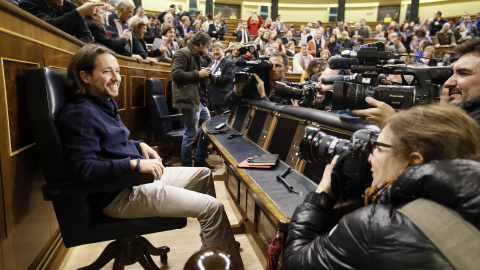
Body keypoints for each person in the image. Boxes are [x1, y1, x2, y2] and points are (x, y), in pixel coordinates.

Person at [59, 44, 243, 268]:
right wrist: (134, 164)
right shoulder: (80, 114)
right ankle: (223, 263)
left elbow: (110, 142)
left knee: (203, 174)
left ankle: (214, 249)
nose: (117, 77)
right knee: (213, 208)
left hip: (133, 181)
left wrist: (138, 145)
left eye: (117, 70)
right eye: (107, 71)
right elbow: (82, 168)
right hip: (119, 194)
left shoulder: (103, 102)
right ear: (85, 77)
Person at [282, 103, 480, 269]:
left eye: (377, 147)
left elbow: (294, 263)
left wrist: (320, 196)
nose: (368, 157)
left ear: (412, 162)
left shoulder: (373, 226)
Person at [351, 38, 480, 126]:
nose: (447, 83)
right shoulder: (462, 115)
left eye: (463, 74)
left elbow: (445, 154)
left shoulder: (474, 125)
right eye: (451, 74)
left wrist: (393, 122)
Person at [171, 32, 213, 168]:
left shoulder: (195, 55)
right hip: (188, 100)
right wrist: (198, 74)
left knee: (208, 129)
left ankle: (200, 162)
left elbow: (191, 78)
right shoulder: (182, 53)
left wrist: (202, 79)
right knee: (190, 135)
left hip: (197, 99)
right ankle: (187, 168)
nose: (207, 50)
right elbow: (176, 75)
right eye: (206, 46)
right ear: (200, 44)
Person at [224, 51, 289, 106]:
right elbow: (227, 103)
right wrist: (236, 92)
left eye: (278, 66)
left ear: (286, 69)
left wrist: (263, 96)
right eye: (271, 65)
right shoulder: (255, 85)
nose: (273, 69)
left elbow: (277, 113)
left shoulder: (288, 90)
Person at [19, 0, 101, 43]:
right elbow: (48, 28)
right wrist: (79, 13)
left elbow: (87, 37)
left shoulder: (71, 7)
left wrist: (68, 46)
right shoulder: (27, 3)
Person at [204, 42, 235, 115]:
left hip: (221, 98)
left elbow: (228, 78)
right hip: (209, 99)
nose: (215, 52)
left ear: (223, 50)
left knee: (219, 122)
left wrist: (213, 77)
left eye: (217, 50)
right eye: (213, 50)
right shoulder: (211, 63)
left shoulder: (229, 63)